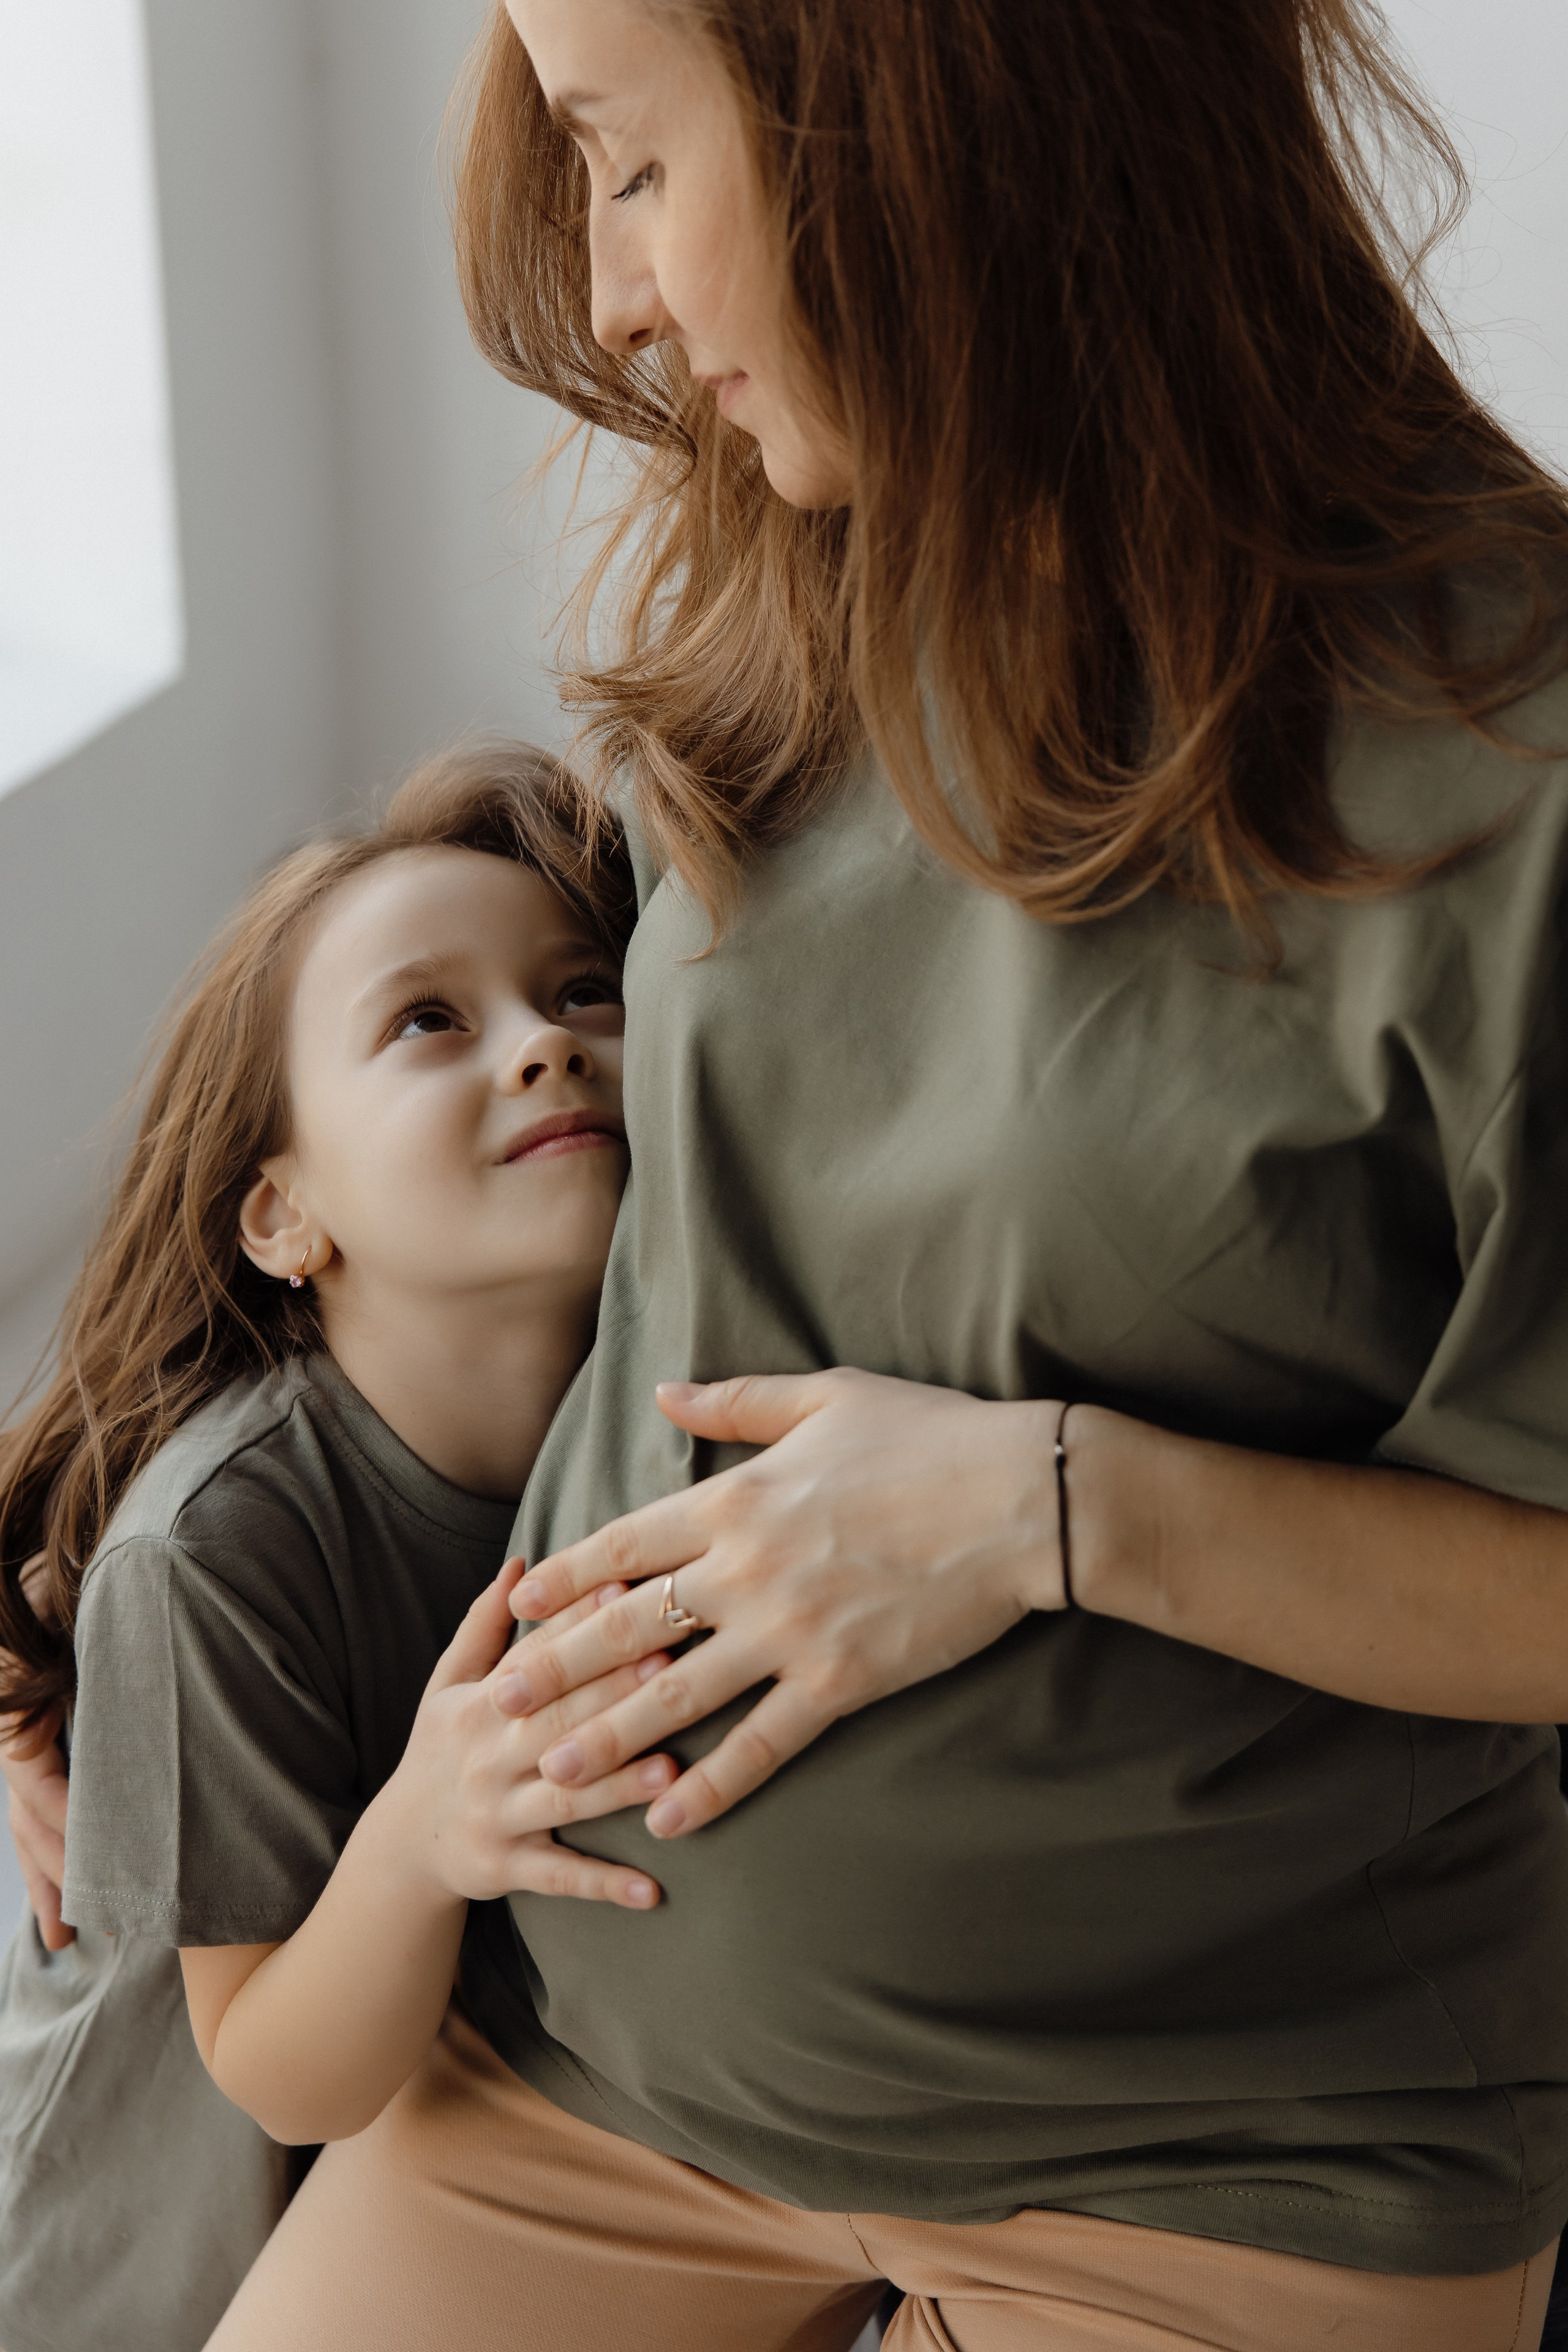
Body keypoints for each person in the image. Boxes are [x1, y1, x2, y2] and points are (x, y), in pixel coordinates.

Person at [19, 0, 1568, 2342]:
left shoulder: (1519, 770)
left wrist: (1053, 1509)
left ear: (940, 121)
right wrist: (73, 1607)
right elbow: (393, 1193)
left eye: (634, 165)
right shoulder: (786, 582)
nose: (620, 297)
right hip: (593, 2085)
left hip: (1237, 2163)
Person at [0, 742, 670, 2352]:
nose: (544, 1050)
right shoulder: (213, 1553)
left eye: (585, 992)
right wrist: (426, 1831)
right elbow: (277, 2062)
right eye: (429, 1019)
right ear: (284, 1215)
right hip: (134, 2273)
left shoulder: (661, 1392)